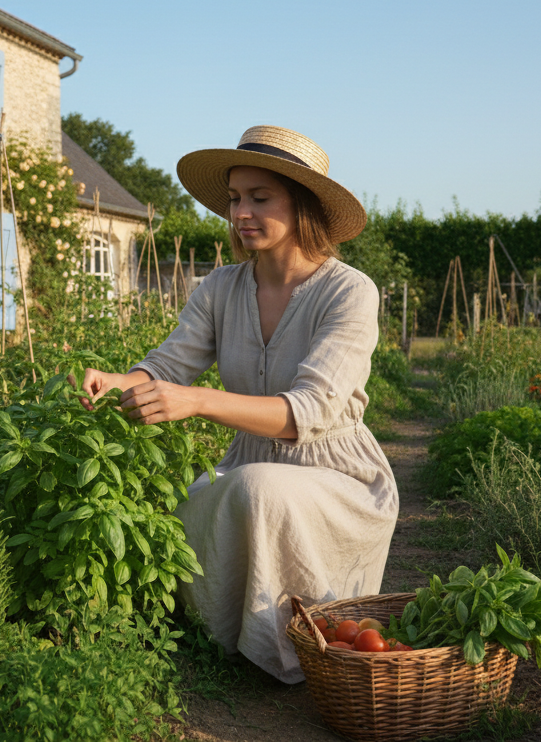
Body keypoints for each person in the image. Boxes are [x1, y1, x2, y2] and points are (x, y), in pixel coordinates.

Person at [79, 126, 398, 683]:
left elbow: (309, 412)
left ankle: (289, 649)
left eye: (259, 198)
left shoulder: (350, 291)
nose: (241, 212)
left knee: (255, 487)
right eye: (234, 199)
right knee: (177, 507)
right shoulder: (220, 288)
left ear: (302, 206)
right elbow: (167, 366)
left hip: (336, 475)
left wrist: (199, 401)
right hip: (250, 464)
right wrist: (115, 380)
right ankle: (220, 638)